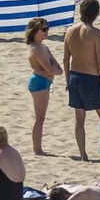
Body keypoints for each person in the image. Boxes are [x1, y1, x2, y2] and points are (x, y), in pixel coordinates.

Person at [63, 0, 100, 162]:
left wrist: (67, 80)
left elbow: (65, 59)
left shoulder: (69, 30)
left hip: (74, 77)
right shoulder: (95, 33)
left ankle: (83, 154)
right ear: (96, 14)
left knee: (79, 120)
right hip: (90, 79)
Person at [26, 17, 63, 156]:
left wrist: (52, 70)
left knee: (41, 118)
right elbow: (51, 69)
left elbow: (58, 69)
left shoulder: (44, 47)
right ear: (35, 31)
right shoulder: (36, 49)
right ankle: (37, 149)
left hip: (44, 81)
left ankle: (38, 148)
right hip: (39, 82)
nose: (47, 31)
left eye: (47, 28)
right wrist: (51, 70)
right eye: (44, 29)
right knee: (39, 118)